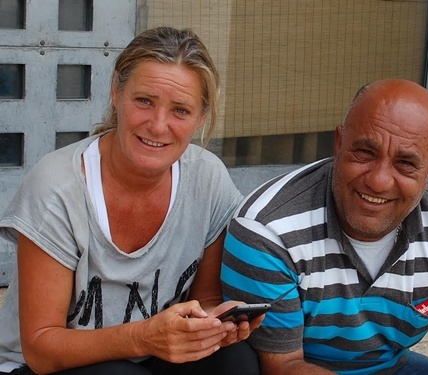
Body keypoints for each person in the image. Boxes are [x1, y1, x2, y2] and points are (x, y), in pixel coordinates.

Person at [0, 26, 263, 375]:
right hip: (42, 366)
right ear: (115, 93)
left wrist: (214, 327)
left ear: (200, 118)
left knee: (235, 362)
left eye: (180, 110)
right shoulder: (58, 187)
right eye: (144, 101)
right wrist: (145, 338)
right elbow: (42, 348)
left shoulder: (207, 179)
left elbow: (204, 302)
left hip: (147, 356)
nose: (157, 125)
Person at [220, 79, 428, 374]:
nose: (378, 181)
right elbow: (282, 366)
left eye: (405, 163)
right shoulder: (266, 229)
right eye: (365, 152)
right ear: (339, 143)